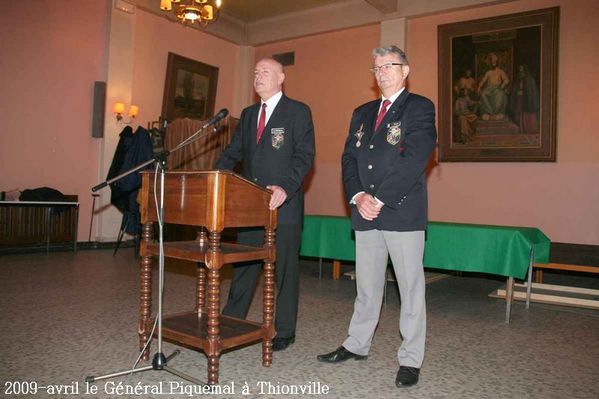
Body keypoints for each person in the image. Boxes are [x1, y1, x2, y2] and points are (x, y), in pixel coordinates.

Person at [317, 45, 437, 388]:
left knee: (410, 289)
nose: (382, 72)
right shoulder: (362, 112)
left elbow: (415, 158)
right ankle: (357, 345)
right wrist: (358, 196)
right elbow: (348, 159)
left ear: (405, 70)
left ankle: (411, 359)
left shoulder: (419, 107)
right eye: (377, 67)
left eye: (389, 66)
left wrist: (380, 198)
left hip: (401, 210)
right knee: (367, 286)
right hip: (365, 210)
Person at [215, 58, 315, 351]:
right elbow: (233, 153)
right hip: (251, 206)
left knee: (283, 269)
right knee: (244, 265)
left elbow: (304, 155)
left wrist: (287, 186)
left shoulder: (298, 112)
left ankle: (283, 329)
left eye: (265, 72)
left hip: (284, 204)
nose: (258, 76)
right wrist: (216, 178)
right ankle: (232, 320)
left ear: (281, 78)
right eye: (255, 72)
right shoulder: (247, 115)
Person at [477, 52, 510, 121]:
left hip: (498, 88)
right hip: (489, 89)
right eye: (492, 62)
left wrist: (502, 86)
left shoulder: (500, 71)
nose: (493, 64)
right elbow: (483, 81)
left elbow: (506, 80)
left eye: (494, 62)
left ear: (497, 63)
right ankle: (489, 113)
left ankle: (497, 113)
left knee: (501, 94)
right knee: (483, 94)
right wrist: (479, 87)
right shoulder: (488, 72)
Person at [509, 64, 539, 134]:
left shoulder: (530, 79)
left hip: (527, 100)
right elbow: (515, 89)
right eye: (519, 69)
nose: (521, 71)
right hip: (519, 99)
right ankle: (521, 129)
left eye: (522, 69)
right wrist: (517, 93)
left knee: (526, 114)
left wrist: (524, 93)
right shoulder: (518, 79)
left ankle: (528, 129)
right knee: (520, 113)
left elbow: (531, 91)